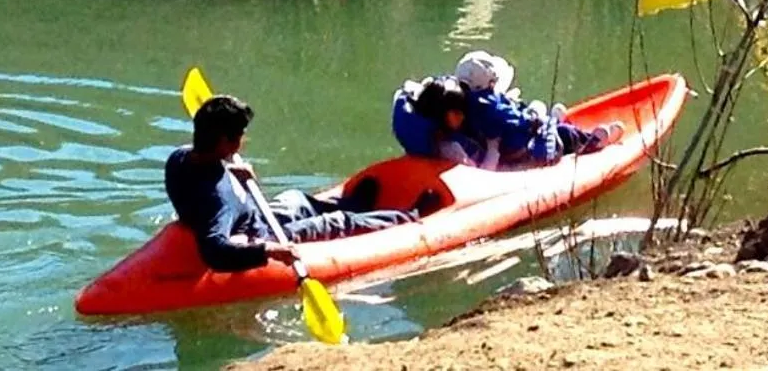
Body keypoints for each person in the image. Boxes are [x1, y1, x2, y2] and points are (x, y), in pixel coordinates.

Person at [166, 94, 426, 273]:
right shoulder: (216, 203)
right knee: (336, 223)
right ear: (224, 142)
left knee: (296, 199)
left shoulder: (180, 157)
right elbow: (215, 253)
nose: (243, 141)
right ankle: (410, 216)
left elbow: (207, 168)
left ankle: (354, 203)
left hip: (257, 215)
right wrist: (269, 251)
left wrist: (230, 168)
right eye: (240, 136)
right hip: (258, 235)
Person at [452, 51, 622, 169]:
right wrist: (535, 116)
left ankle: (554, 120)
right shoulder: (491, 107)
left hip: (499, 147)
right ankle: (592, 142)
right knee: (565, 133)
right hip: (521, 151)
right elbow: (522, 122)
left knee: (542, 117)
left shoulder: (459, 101)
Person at [392, 75, 488, 165]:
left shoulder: (449, 138)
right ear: (440, 112)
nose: (462, 117)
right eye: (456, 112)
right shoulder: (449, 149)